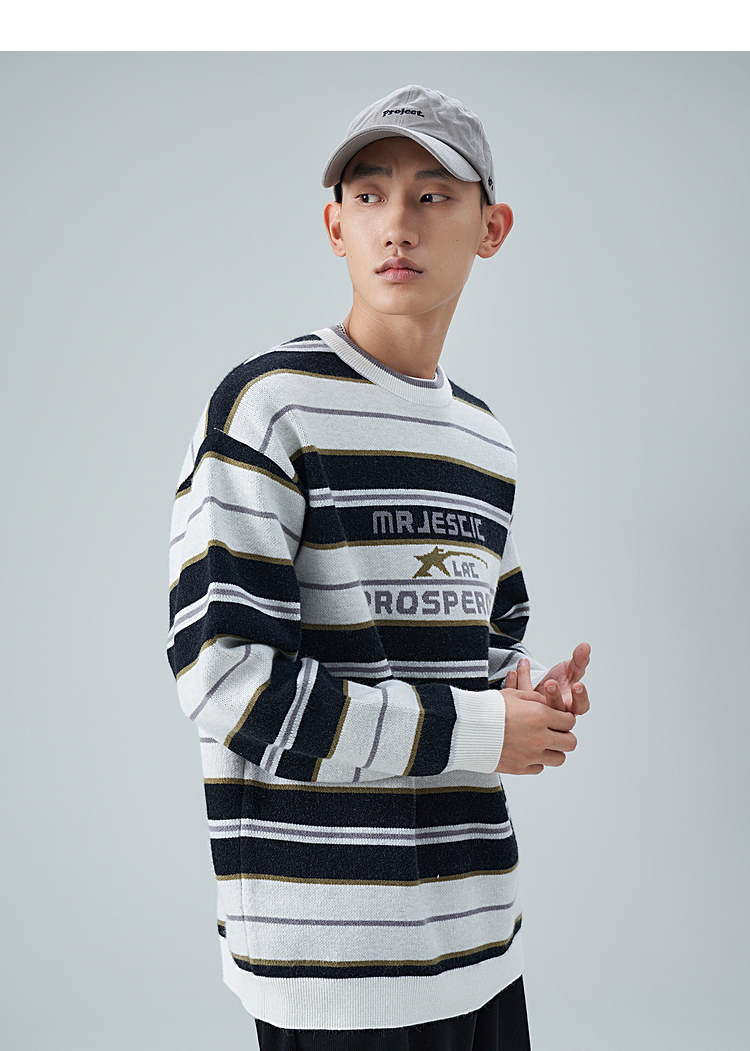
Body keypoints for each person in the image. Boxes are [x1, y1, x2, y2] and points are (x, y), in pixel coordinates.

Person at [167, 84, 591, 1051]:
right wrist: (482, 728)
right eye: (369, 194)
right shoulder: (268, 408)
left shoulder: (486, 441)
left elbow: (482, 655)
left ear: (492, 228)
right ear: (336, 226)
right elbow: (229, 684)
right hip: (334, 960)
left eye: (433, 194)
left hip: (481, 937)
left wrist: (530, 702)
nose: (398, 222)